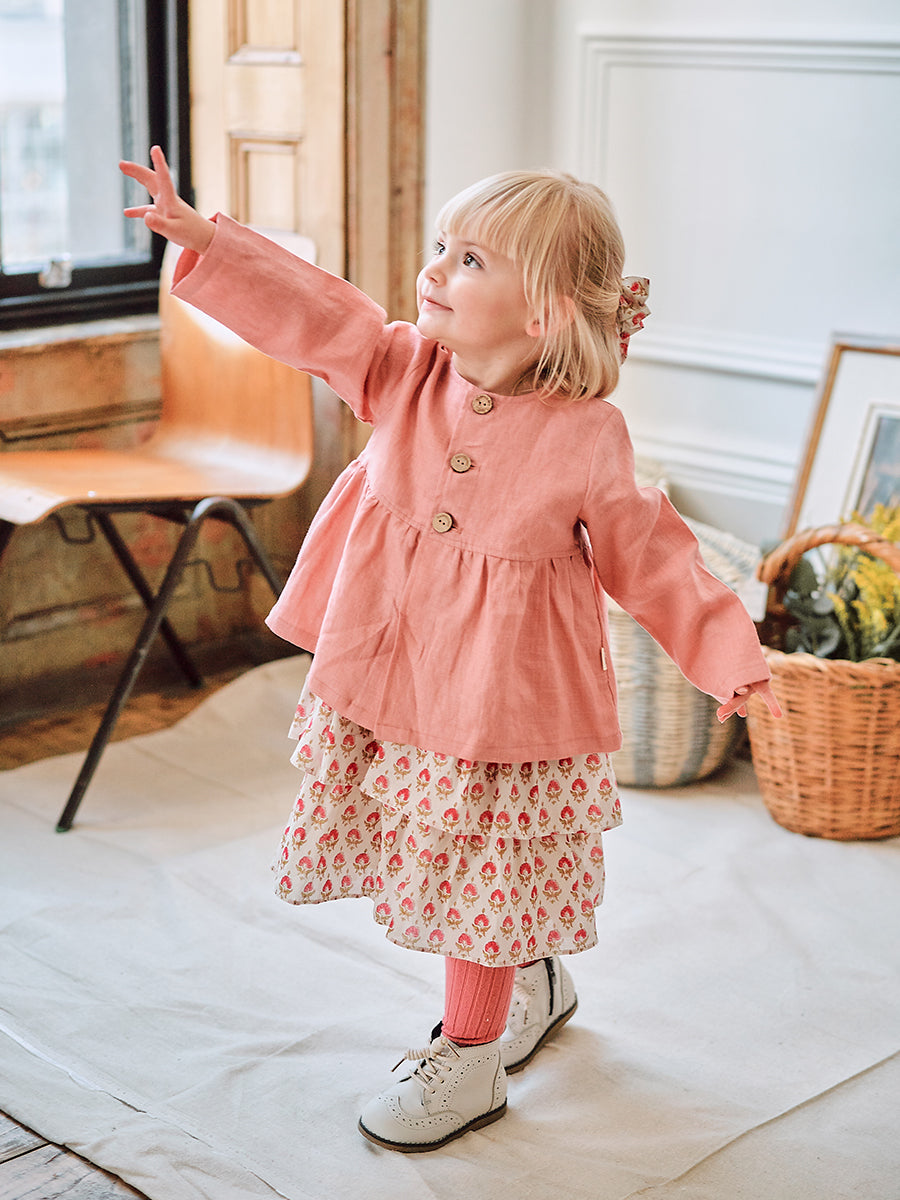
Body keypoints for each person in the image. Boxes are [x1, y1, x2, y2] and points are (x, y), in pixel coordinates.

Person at [120, 146, 782, 1154]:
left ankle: (469, 1056)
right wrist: (209, 239)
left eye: (470, 260)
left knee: (482, 870)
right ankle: (534, 977)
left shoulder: (587, 435)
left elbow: (651, 554)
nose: (434, 271)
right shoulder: (403, 369)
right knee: (447, 865)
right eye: (442, 246)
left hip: (504, 703)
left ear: (545, 311)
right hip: (395, 667)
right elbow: (317, 311)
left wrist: (731, 656)